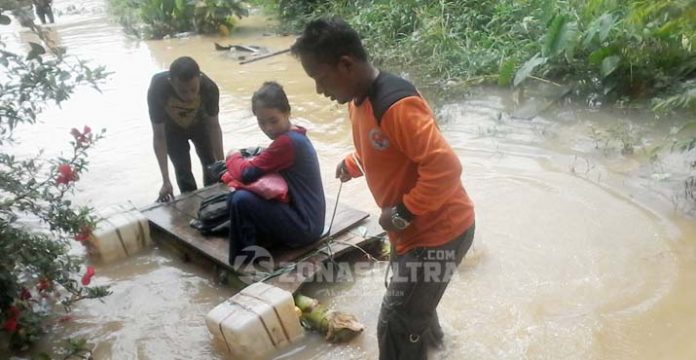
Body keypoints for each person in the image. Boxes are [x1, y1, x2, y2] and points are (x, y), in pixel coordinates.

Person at [291, 18, 476, 360]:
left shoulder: (395, 105)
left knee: (394, 320)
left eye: (319, 78)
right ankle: (438, 350)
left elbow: (445, 167)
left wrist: (403, 213)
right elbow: (382, 151)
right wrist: (352, 164)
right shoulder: (357, 101)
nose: (319, 90)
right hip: (414, 233)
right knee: (412, 309)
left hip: (440, 233)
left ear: (345, 64)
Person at [225, 81, 325, 264]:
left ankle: (242, 261)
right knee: (237, 197)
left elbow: (246, 173)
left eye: (273, 120)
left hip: (305, 227)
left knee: (240, 200)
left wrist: (233, 156)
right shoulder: (297, 136)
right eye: (262, 122)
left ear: (287, 113)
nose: (268, 128)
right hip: (311, 221)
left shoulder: (287, 143)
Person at [147, 56, 224, 202]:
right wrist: (165, 180)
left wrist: (223, 166)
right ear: (172, 83)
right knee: (183, 172)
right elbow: (159, 136)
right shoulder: (158, 89)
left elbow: (214, 127)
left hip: (201, 126)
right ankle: (191, 207)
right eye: (183, 91)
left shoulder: (209, 88)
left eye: (193, 89)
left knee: (211, 166)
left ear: (199, 79)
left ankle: (214, 204)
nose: (189, 96)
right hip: (173, 131)